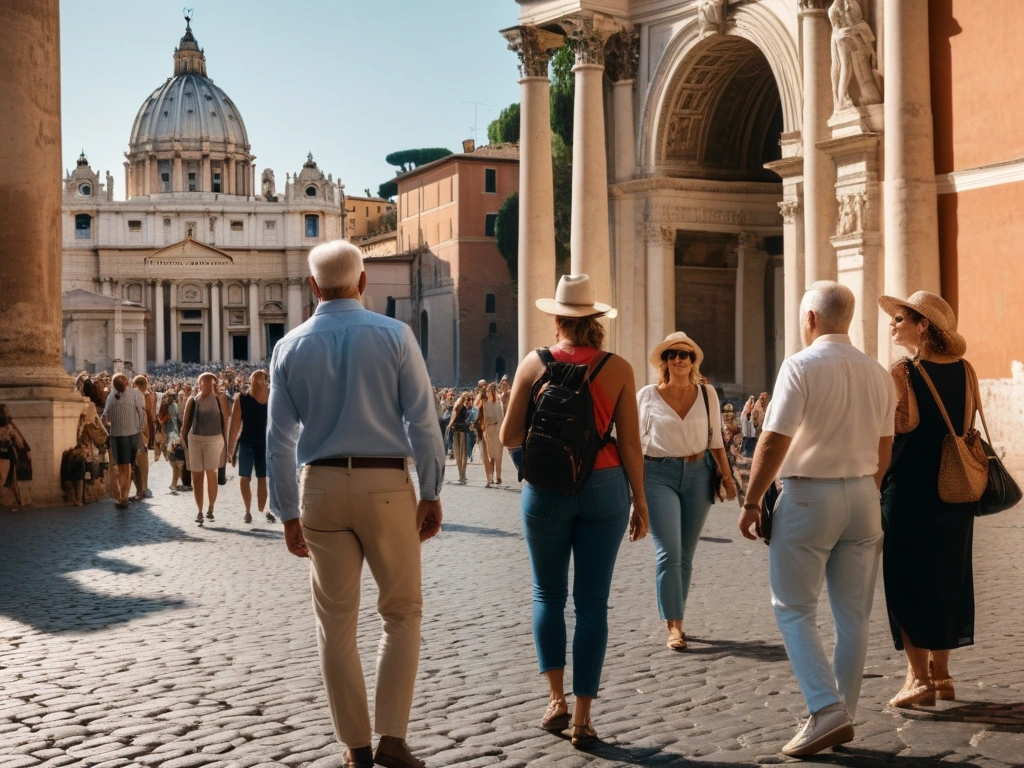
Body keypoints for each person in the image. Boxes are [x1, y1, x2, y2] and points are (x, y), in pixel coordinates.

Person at [267, 239, 444, 768]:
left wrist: (286, 512)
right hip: (386, 484)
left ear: (312, 287)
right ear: (364, 282)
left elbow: (279, 439)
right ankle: (392, 738)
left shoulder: (289, 347)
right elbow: (422, 420)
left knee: (336, 625)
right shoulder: (395, 335)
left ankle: (356, 747)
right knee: (402, 613)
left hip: (319, 487)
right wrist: (431, 490)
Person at [738, 281, 896, 758]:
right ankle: (840, 712)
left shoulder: (800, 366)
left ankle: (826, 710)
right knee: (854, 618)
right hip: (865, 496)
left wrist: (751, 500)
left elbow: (774, 439)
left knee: (793, 608)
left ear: (810, 319)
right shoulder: (878, 373)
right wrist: (865, 487)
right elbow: (885, 449)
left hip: (809, 497)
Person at [500, 274, 649, 750]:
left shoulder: (533, 363)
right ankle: (584, 718)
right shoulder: (619, 368)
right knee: (592, 604)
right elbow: (630, 442)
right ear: (597, 320)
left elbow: (507, 437)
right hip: (606, 487)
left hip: (546, 488)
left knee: (547, 594)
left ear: (558, 318)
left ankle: (555, 700)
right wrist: (640, 501)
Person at [878, 291, 976, 708]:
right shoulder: (968, 371)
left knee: (905, 581)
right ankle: (943, 675)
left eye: (900, 318)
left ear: (923, 326)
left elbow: (891, 431)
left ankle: (918, 680)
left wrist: (873, 484)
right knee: (948, 578)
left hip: (910, 490)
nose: (892, 324)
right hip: (955, 489)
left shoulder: (903, 371)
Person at [638, 332, 736, 651]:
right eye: (673, 355)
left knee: (686, 555)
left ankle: (677, 616)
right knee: (669, 552)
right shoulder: (648, 395)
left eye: (686, 355)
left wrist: (727, 476)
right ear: (664, 362)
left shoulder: (707, 394)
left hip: (697, 474)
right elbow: (635, 443)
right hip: (657, 473)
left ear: (694, 362)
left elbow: (716, 440)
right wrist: (633, 492)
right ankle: (675, 625)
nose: (679, 359)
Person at [181, 372, 230, 525]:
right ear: (200, 383)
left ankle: (211, 507)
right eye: (205, 382)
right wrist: (183, 444)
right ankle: (199, 510)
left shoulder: (220, 399)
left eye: (211, 382)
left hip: (214, 439)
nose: (208, 385)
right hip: (195, 439)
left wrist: (226, 445)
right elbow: (184, 425)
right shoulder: (193, 400)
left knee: (211, 474)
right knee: (197, 476)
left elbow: (225, 421)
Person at [228, 369, 276, 524]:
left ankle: (263, 510)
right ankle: (248, 510)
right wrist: (230, 448)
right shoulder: (241, 398)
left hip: (264, 443)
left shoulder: (273, 396)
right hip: (248, 441)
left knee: (262, 478)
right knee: (245, 477)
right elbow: (235, 426)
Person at [102, 373, 146, 510]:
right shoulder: (134, 394)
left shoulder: (111, 396)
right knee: (126, 467)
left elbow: (104, 416)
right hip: (129, 434)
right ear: (126, 382)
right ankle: (124, 495)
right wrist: (139, 429)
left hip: (120, 434)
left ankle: (124, 495)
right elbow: (141, 412)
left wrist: (109, 425)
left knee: (124, 467)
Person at [481, 382, 504, 486]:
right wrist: (484, 430)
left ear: (493, 391)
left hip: (498, 429)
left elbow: (502, 417)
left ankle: (498, 477)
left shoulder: (499, 402)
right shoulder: (485, 402)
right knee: (491, 455)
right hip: (489, 429)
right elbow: (485, 417)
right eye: (487, 391)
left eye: (489, 391)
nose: (488, 393)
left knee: (498, 454)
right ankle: (491, 475)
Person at [447, 393, 472, 483]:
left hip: (457, 430)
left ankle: (461, 474)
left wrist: (451, 424)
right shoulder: (461, 407)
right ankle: (462, 475)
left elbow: (453, 418)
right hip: (461, 431)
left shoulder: (457, 405)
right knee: (462, 454)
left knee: (459, 454)